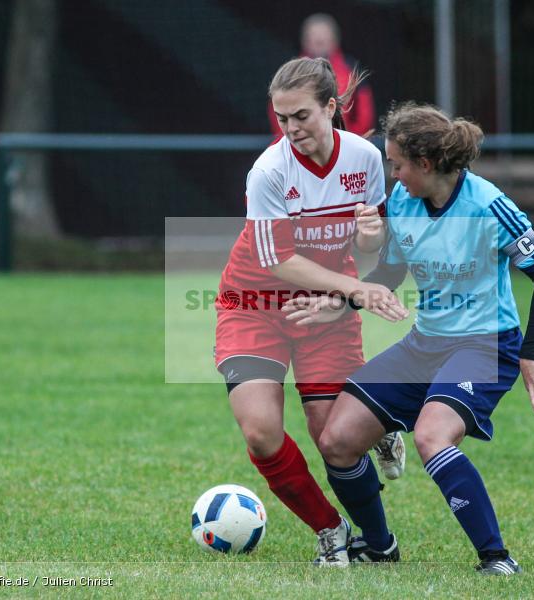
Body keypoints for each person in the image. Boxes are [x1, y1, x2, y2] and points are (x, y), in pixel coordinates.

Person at [284, 102, 534, 572]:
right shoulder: (402, 202)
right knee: (336, 438)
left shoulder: (490, 206)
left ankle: (496, 557)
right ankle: (379, 546)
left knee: (433, 436)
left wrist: (531, 355)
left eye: (396, 164)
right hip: (424, 344)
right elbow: (392, 267)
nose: (392, 175)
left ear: (426, 164)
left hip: (485, 345)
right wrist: (340, 303)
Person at [214, 57, 409, 565]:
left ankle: (380, 542)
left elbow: (377, 248)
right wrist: (354, 290)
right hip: (252, 305)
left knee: (333, 439)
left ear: (330, 107)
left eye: (301, 115)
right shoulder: (269, 171)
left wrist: (370, 241)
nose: (291, 128)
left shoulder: (364, 158)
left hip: (325, 309)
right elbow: (277, 261)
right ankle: (330, 530)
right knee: (260, 433)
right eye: (282, 118)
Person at [268, 14, 376, 137]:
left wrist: (350, 140)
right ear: (305, 40)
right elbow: (277, 109)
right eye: (314, 36)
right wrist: (291, 139)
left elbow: (364, 113)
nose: (319, 40)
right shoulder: (290, 71)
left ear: (335, 39)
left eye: (324, 35)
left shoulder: (351, 68)